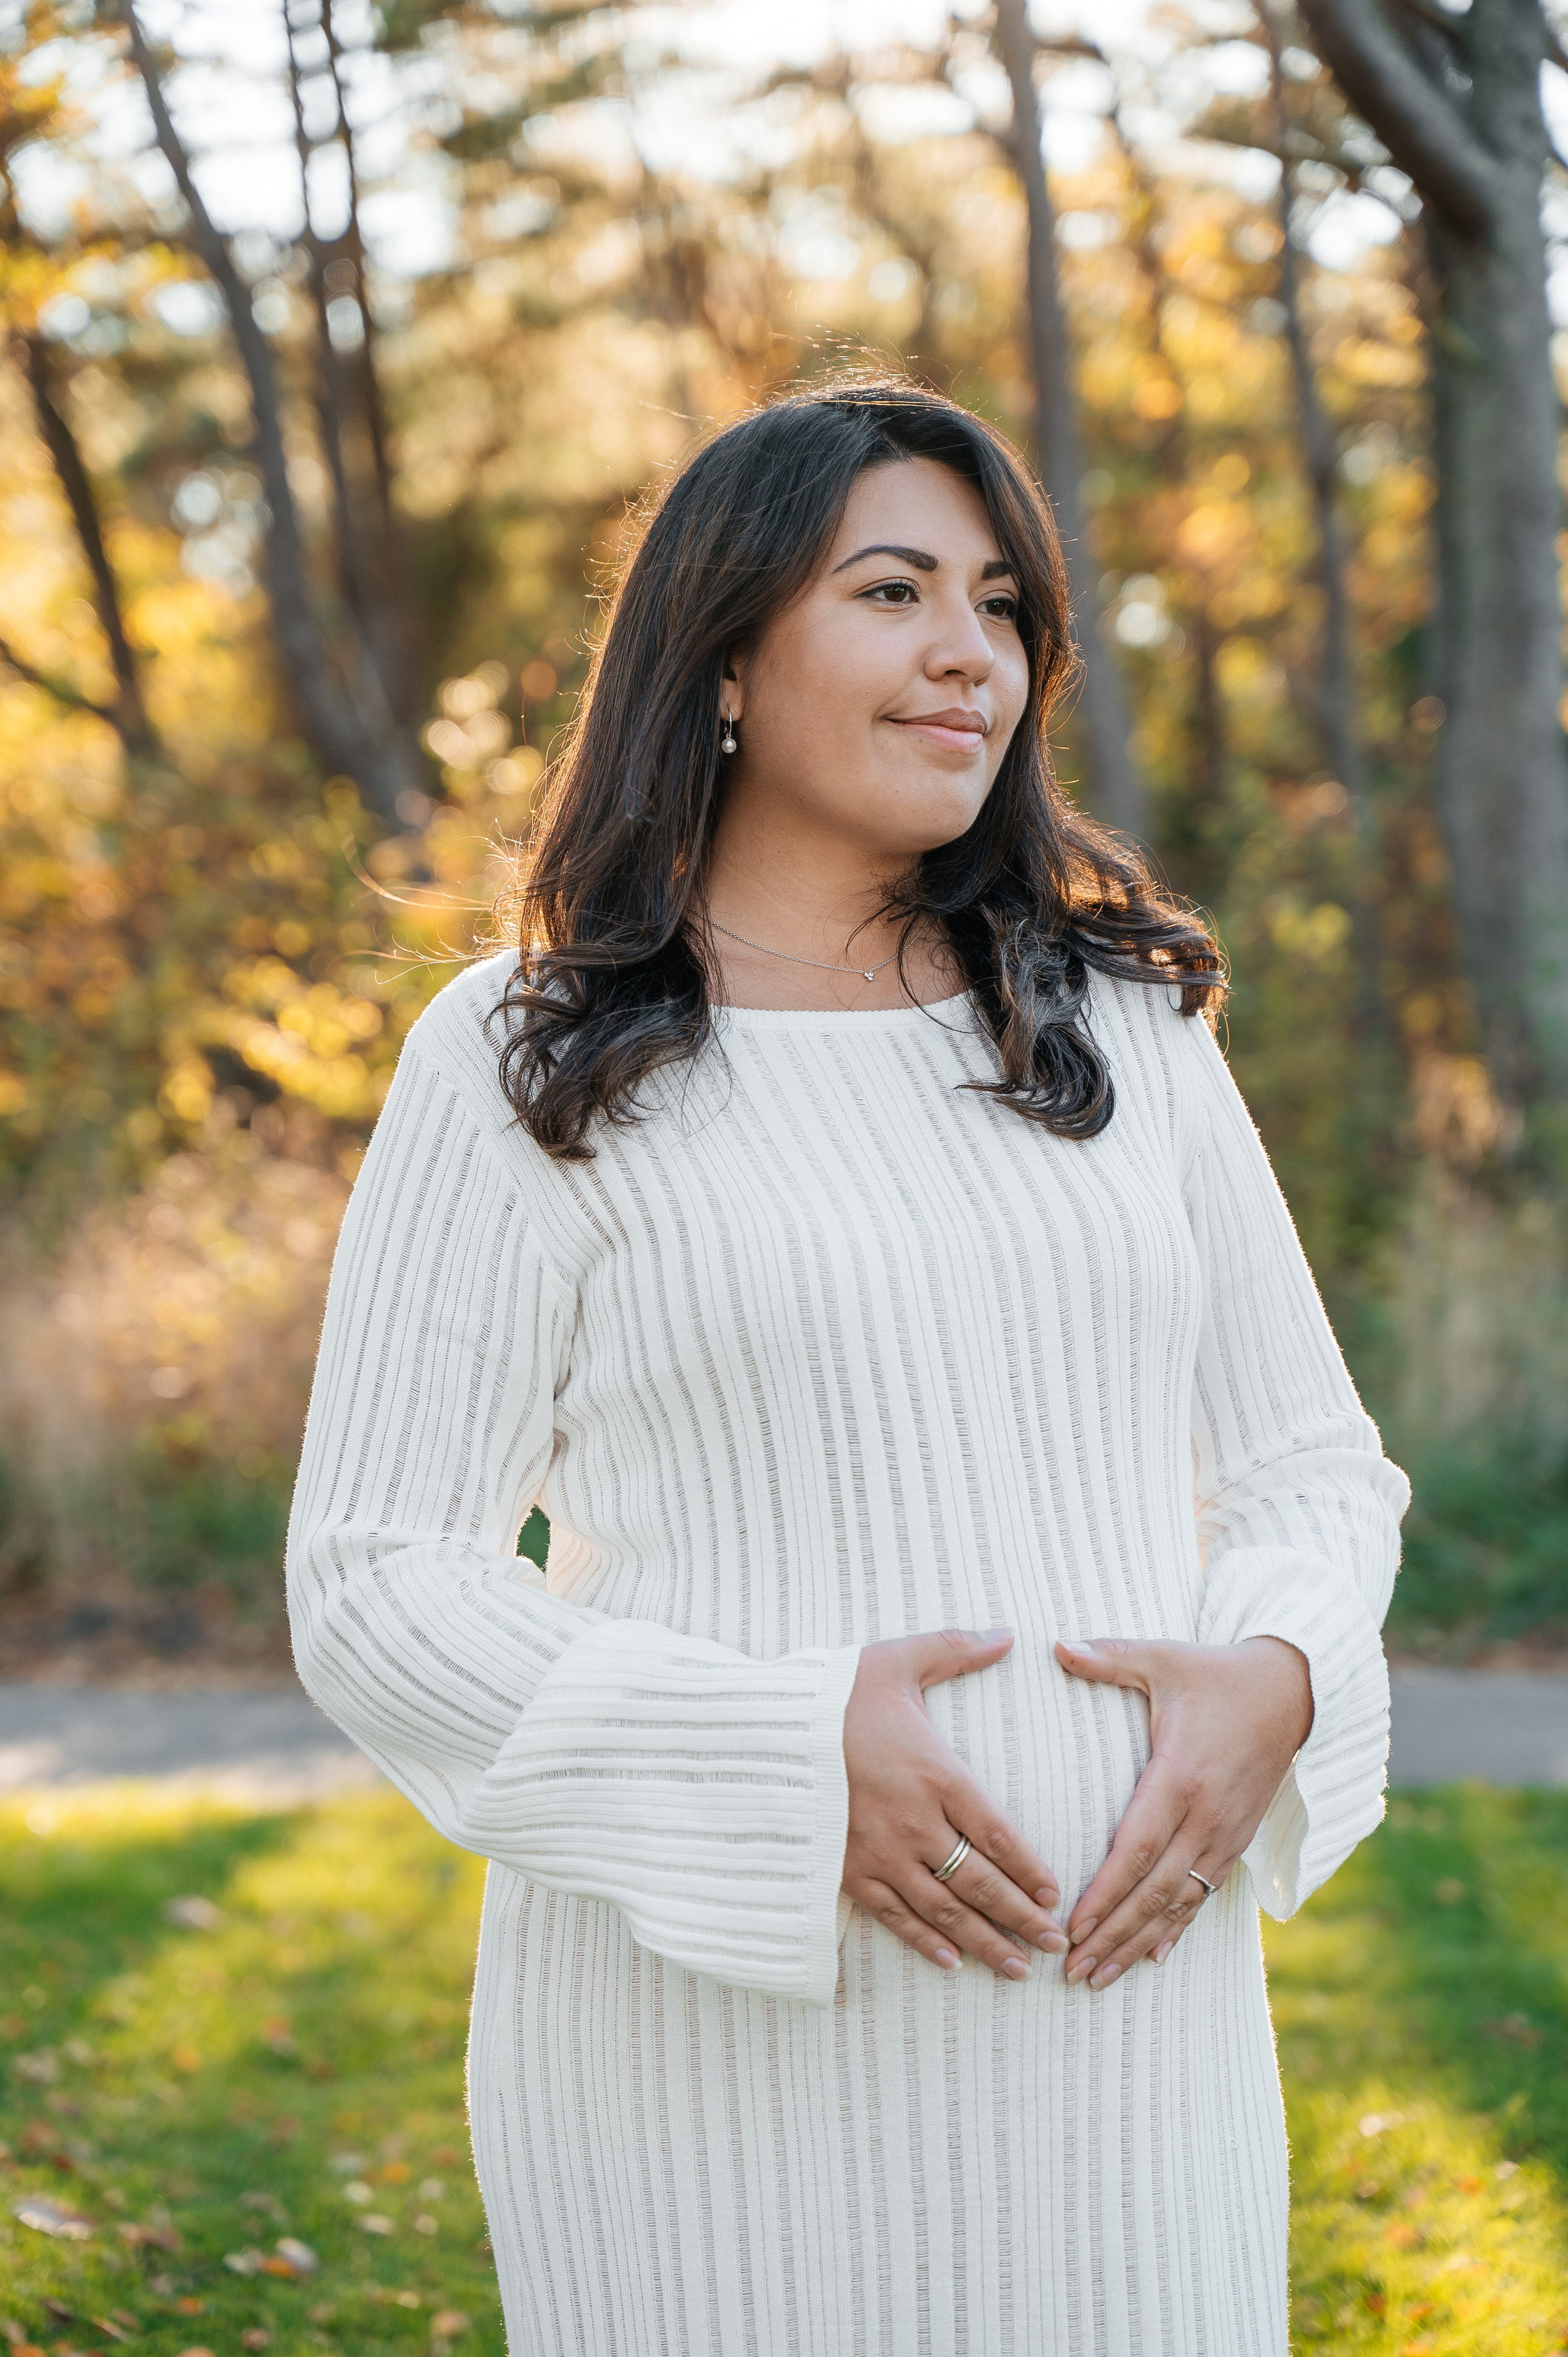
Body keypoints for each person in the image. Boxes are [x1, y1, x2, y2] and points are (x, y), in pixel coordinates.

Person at [287, 377, 1408, 2356]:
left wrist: (1282, 1681)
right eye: (891, 592)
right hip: (706, 2044)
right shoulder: (526, 1053)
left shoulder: (1123, 1030)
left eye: (999, 604)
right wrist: (779, 1756)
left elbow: (1314, 1470)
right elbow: (378, 1577)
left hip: (1124, 2027)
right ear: (723, 656)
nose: (968, 652)